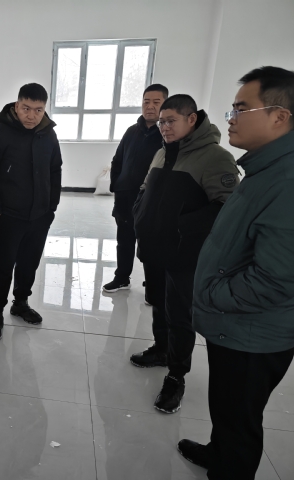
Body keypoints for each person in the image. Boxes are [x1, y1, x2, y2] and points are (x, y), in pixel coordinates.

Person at [179, 66, 294, 480]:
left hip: (255, 332)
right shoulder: (266, 168)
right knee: (227, 408)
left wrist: (213, 295)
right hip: (238, 324)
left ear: (279, 116)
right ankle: (218, 452)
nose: (231, 118)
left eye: (242, 109)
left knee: (240, 417)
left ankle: (229, 468)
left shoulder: (287, 180)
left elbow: (277, 279)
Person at [132, 94, 239, 413]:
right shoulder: (162, 152)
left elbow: (227, 208)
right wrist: (140, 213)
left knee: (179, 314)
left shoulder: (215, 157)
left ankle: (176, 375)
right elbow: (145, 189)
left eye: (170, 121)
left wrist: (180, 226)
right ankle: (161, 349)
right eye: (161, 122)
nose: (164, 127)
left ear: (191, 119)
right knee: (158, 303)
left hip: (185, 254)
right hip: (155, 248)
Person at [0, 83, 62, 341]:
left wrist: (51, 207)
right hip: (9, 216)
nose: (31, 115)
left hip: (39, 216)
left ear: (44, 110)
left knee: (29, 263)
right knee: (2, 267)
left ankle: (20, 303)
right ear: (16, 106)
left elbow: (55, 170)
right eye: (26, 108)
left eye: (38, 110)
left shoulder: (48, 134)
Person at [103, 84, 168, 293]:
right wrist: (117, 185)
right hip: (125, 197)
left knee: (151, 242)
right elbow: (117, 160)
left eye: (156, 102)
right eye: (146, 102)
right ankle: (122, 277)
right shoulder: (132, 131)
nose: (150, 106)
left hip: (151, 200)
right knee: (124, 239)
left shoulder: (167, 134)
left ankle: (153, 285)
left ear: (165, 105)